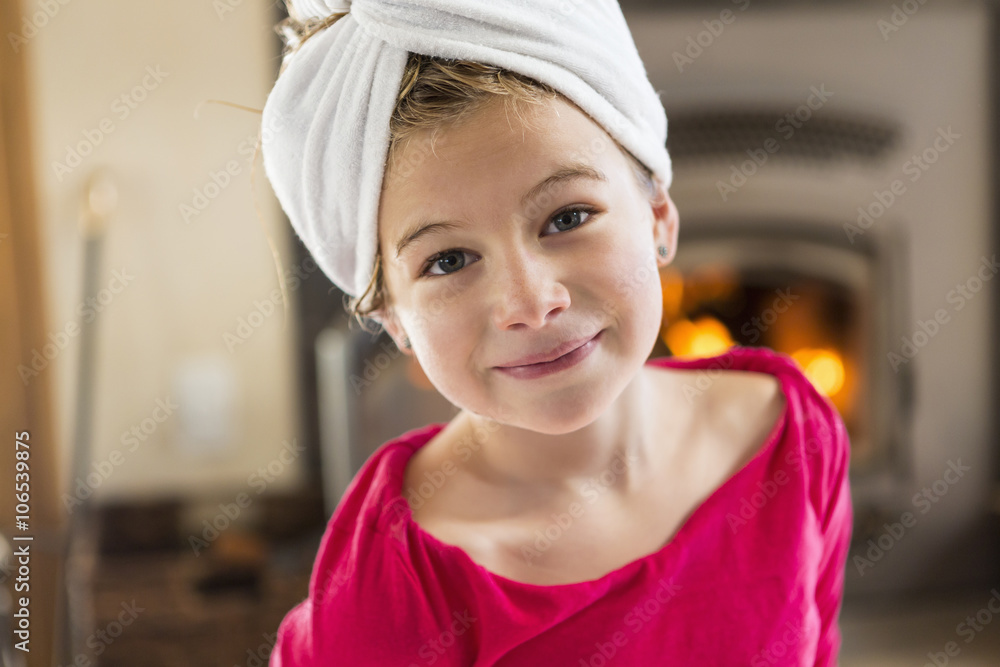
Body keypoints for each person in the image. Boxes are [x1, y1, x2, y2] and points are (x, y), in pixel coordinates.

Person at [259, 1, 853, 665]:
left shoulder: (790, 437)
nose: (530, 303)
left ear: (658, 215)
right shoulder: (397, 581)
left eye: (567, 217)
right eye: (448, 260)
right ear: (393, 318)